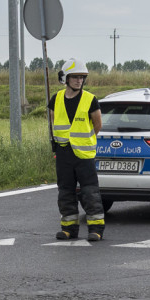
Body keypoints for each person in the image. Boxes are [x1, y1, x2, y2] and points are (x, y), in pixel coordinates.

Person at [49, 58, 106, 241]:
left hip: (84, 154)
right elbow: (52, 122)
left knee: (90, 193)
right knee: (65, 191)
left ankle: (96, 229)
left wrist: (84, 140)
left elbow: (97, 125)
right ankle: (68, 228)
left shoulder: (90, 99)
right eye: (75, 77)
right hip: (64, 153)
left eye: (82, 77)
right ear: (65, 78)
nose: (79, 81)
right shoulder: (55, 99)